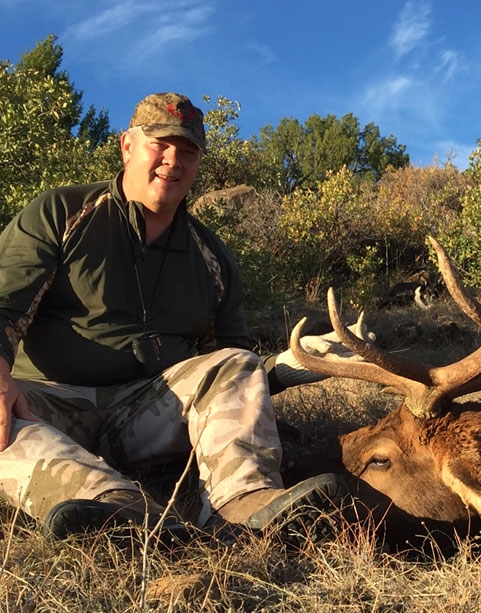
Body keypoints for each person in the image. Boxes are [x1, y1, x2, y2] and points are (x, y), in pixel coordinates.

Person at [0, 92, 358, 543]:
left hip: (147, 413)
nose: (173, 160)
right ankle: (118, 505)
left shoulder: (213, 257)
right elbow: (4, 304)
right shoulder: (61, 213)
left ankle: (245, 502)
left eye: (188, 151)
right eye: (160, 144)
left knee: (236, 361)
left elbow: (229, 362)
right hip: (48, 404)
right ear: (127, 146)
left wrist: (284, 369)